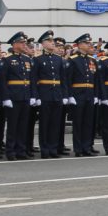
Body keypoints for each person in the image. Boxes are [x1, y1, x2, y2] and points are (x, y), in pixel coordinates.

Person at [32, 30, 66, 159]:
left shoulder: (58, 59)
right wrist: (36, 96)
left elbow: (63, 79)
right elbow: (34, 80)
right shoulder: (38, 60)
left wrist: (64, 95)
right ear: (43, 43)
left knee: (55, 123)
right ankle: (45, 149)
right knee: (45, 123)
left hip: (57, 94)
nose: (53, 43)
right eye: (50, 41)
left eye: (53, 41)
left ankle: (53, 148)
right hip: (44, 95)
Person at [0, 31, 34, 160]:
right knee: (13, 126)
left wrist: (32, 95)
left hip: (25, 95)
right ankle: (10, 151)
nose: (24, 44)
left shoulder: (26, 59)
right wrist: (6, 98)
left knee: (23, 125)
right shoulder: (7, 60)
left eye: (25, 42)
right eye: (21, 42)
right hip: (13, 96)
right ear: (14, 44)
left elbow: (30, 79)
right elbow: (3, 80)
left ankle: (21, 150)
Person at [66, 33, 99, 156]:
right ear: (79, 45)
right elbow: (68, 79)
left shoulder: (91, 60)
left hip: (89, 94)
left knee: (88, 123)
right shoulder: (73, 60)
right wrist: (70, 96)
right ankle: (78, 149)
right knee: (78, 123)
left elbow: (95, 79)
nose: (89, 45)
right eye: (86, 43)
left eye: (89, 43)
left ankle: (87, 147)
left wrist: (96, 95)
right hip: (78, 94)